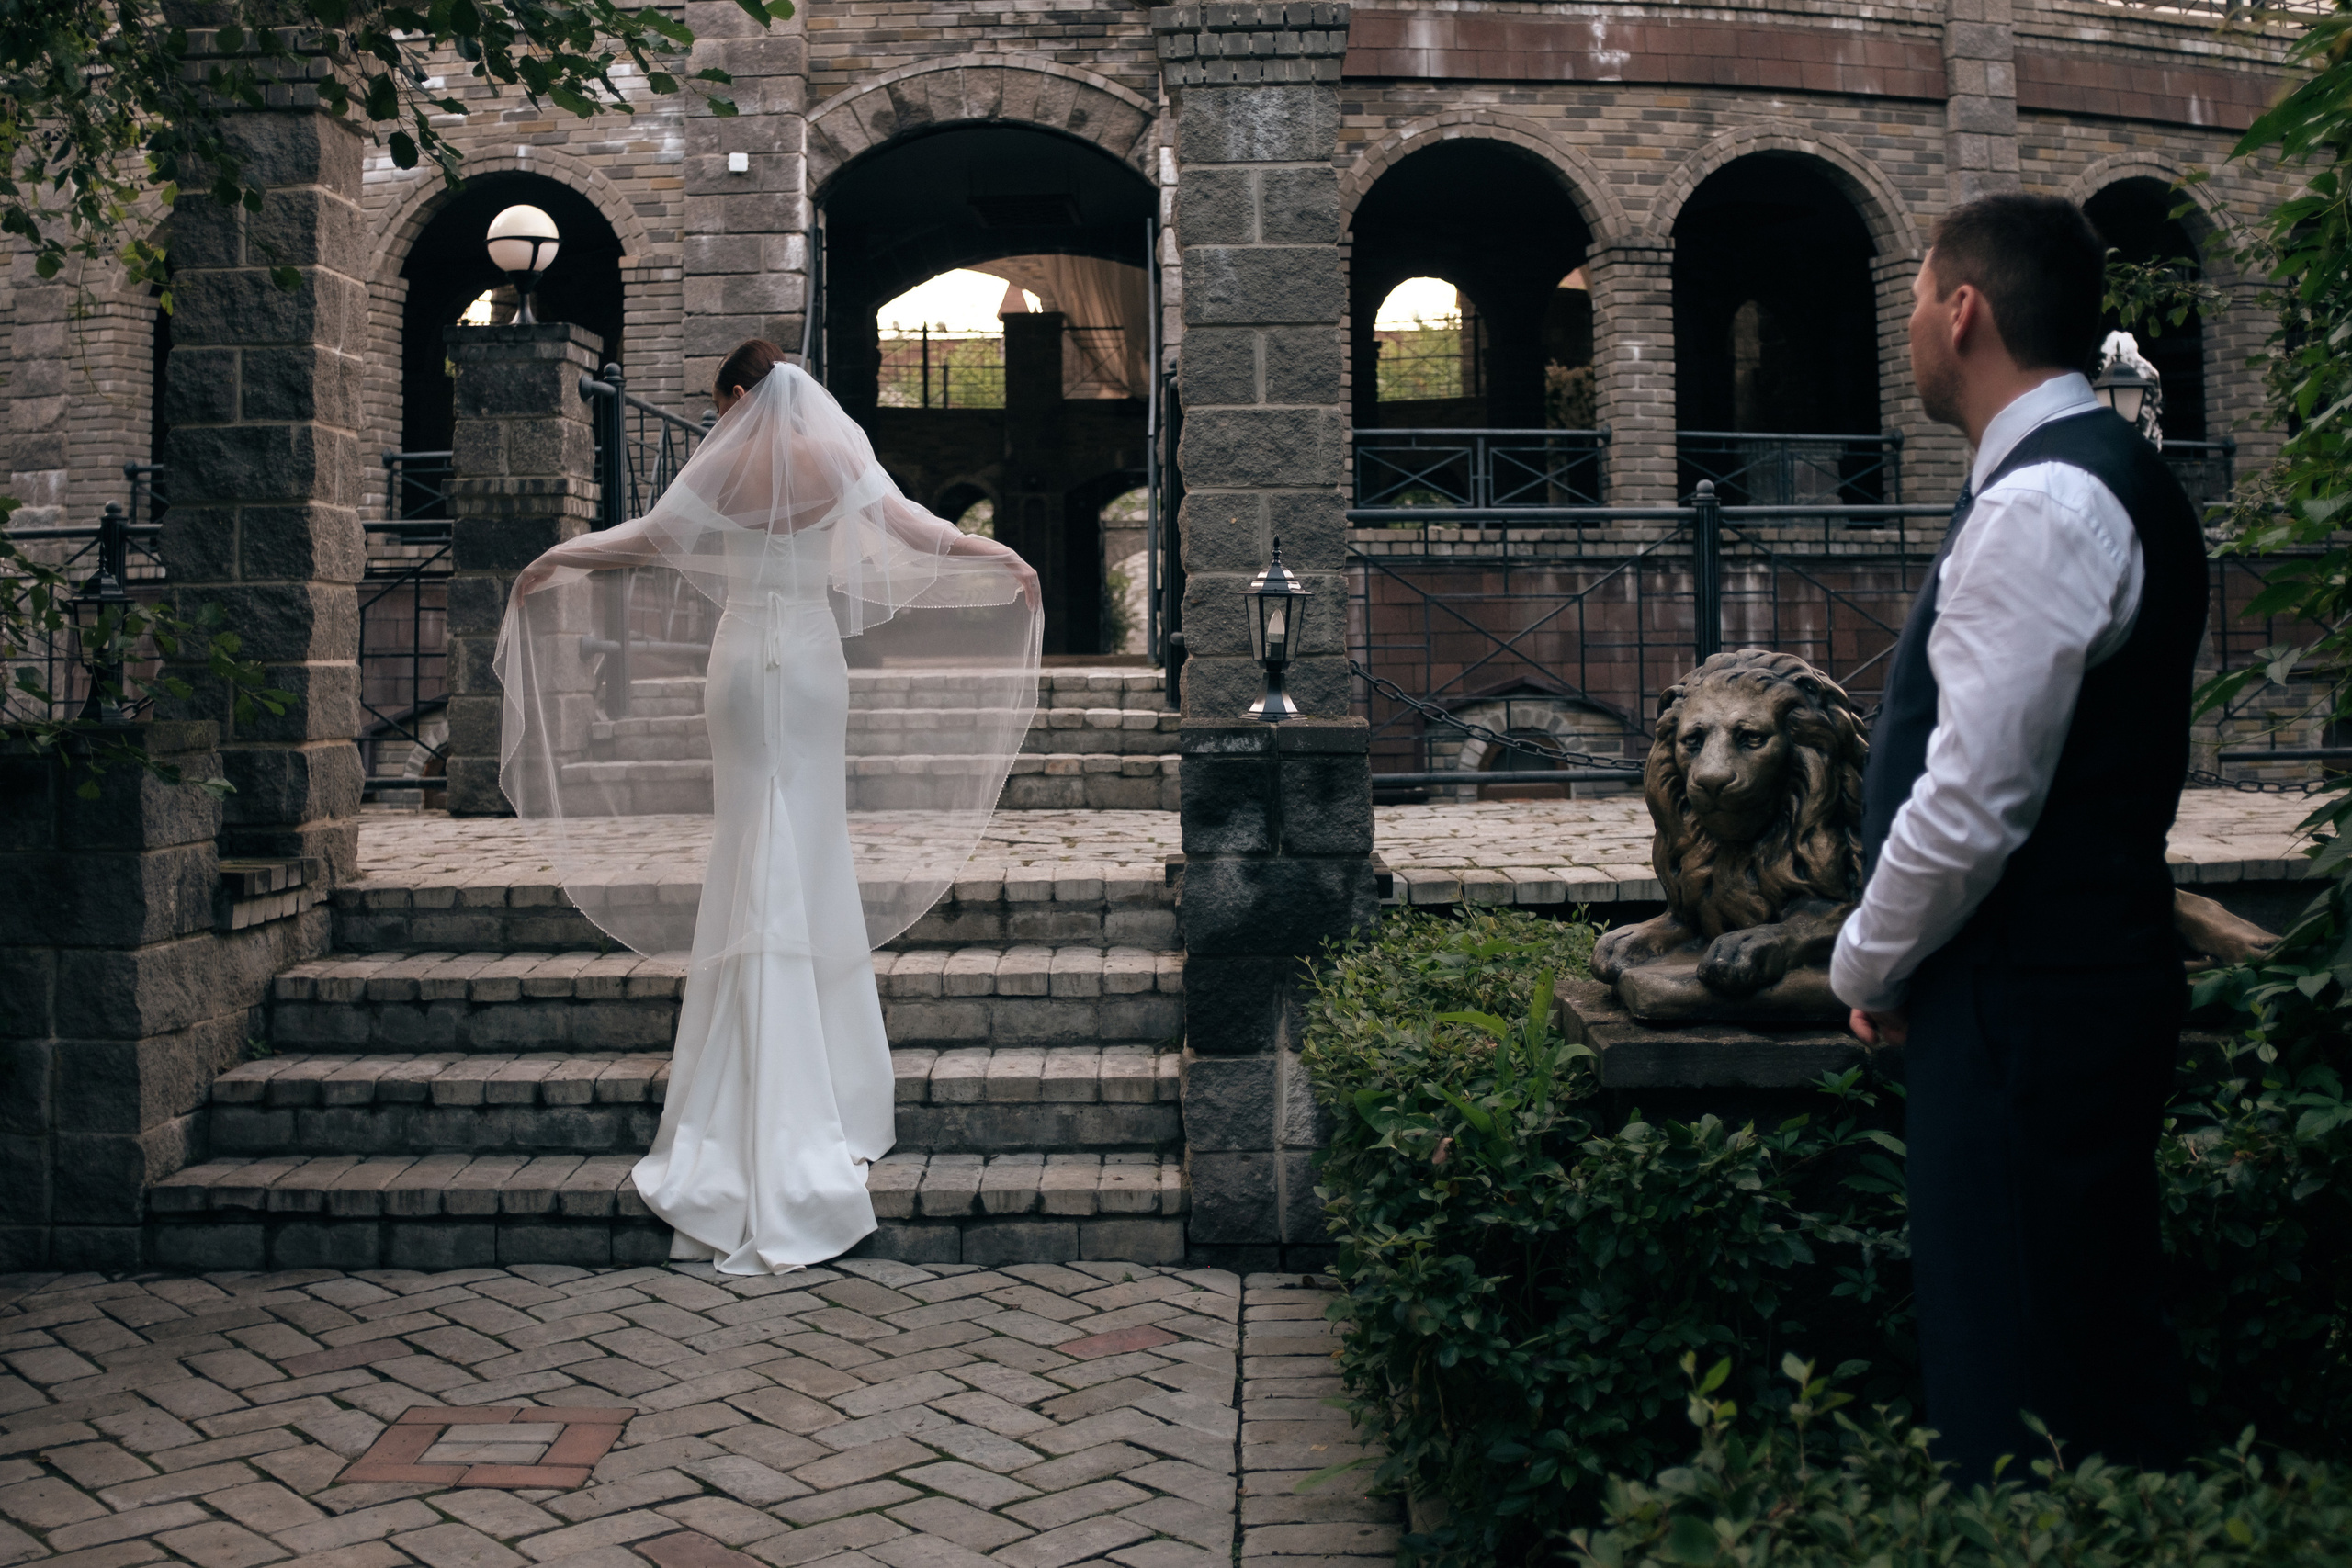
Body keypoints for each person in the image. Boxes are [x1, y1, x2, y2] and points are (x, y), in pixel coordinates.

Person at [498, 340, 1042, 1272]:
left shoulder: (723, 466)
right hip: (813, 666)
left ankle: (736, 1086)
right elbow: (916, 529)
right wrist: (1003, 558)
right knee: (812, 846)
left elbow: (639, 542)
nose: (721, 421)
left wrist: (552, 558)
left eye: (722, 405)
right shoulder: (835, 458)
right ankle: (830, 1084)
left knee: (751, 844)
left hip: (743, 667)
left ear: (741, 394)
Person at [1830, 195, 2205, 1478]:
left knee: (2016, 1383)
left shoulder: (2043, 504)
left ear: (1962, 308)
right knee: (2082, 1346)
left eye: (1915, 295)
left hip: (2022, 1010)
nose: (1911, 329)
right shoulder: (2103, 473)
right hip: (2070, 985)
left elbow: (1972, 799)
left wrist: (1867, 959)